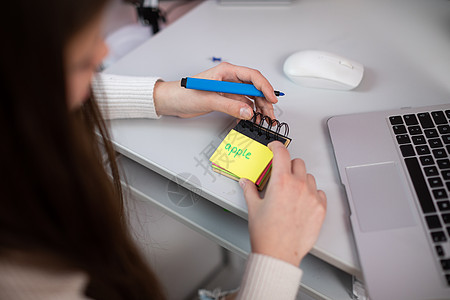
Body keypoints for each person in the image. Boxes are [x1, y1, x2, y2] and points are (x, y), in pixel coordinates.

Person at [0, 0, 327, 299]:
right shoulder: (24, 275)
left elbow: (42, 91)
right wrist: (275, 262)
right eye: (81, 61)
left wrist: (164, 96)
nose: (102, 55)